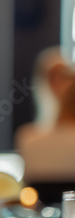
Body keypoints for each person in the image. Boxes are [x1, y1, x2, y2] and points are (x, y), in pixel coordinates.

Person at [15, 49, 75, 189]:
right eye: (54, 77)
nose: (59, 84)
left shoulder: (28, 138)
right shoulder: (29, 137)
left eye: (64, 76)